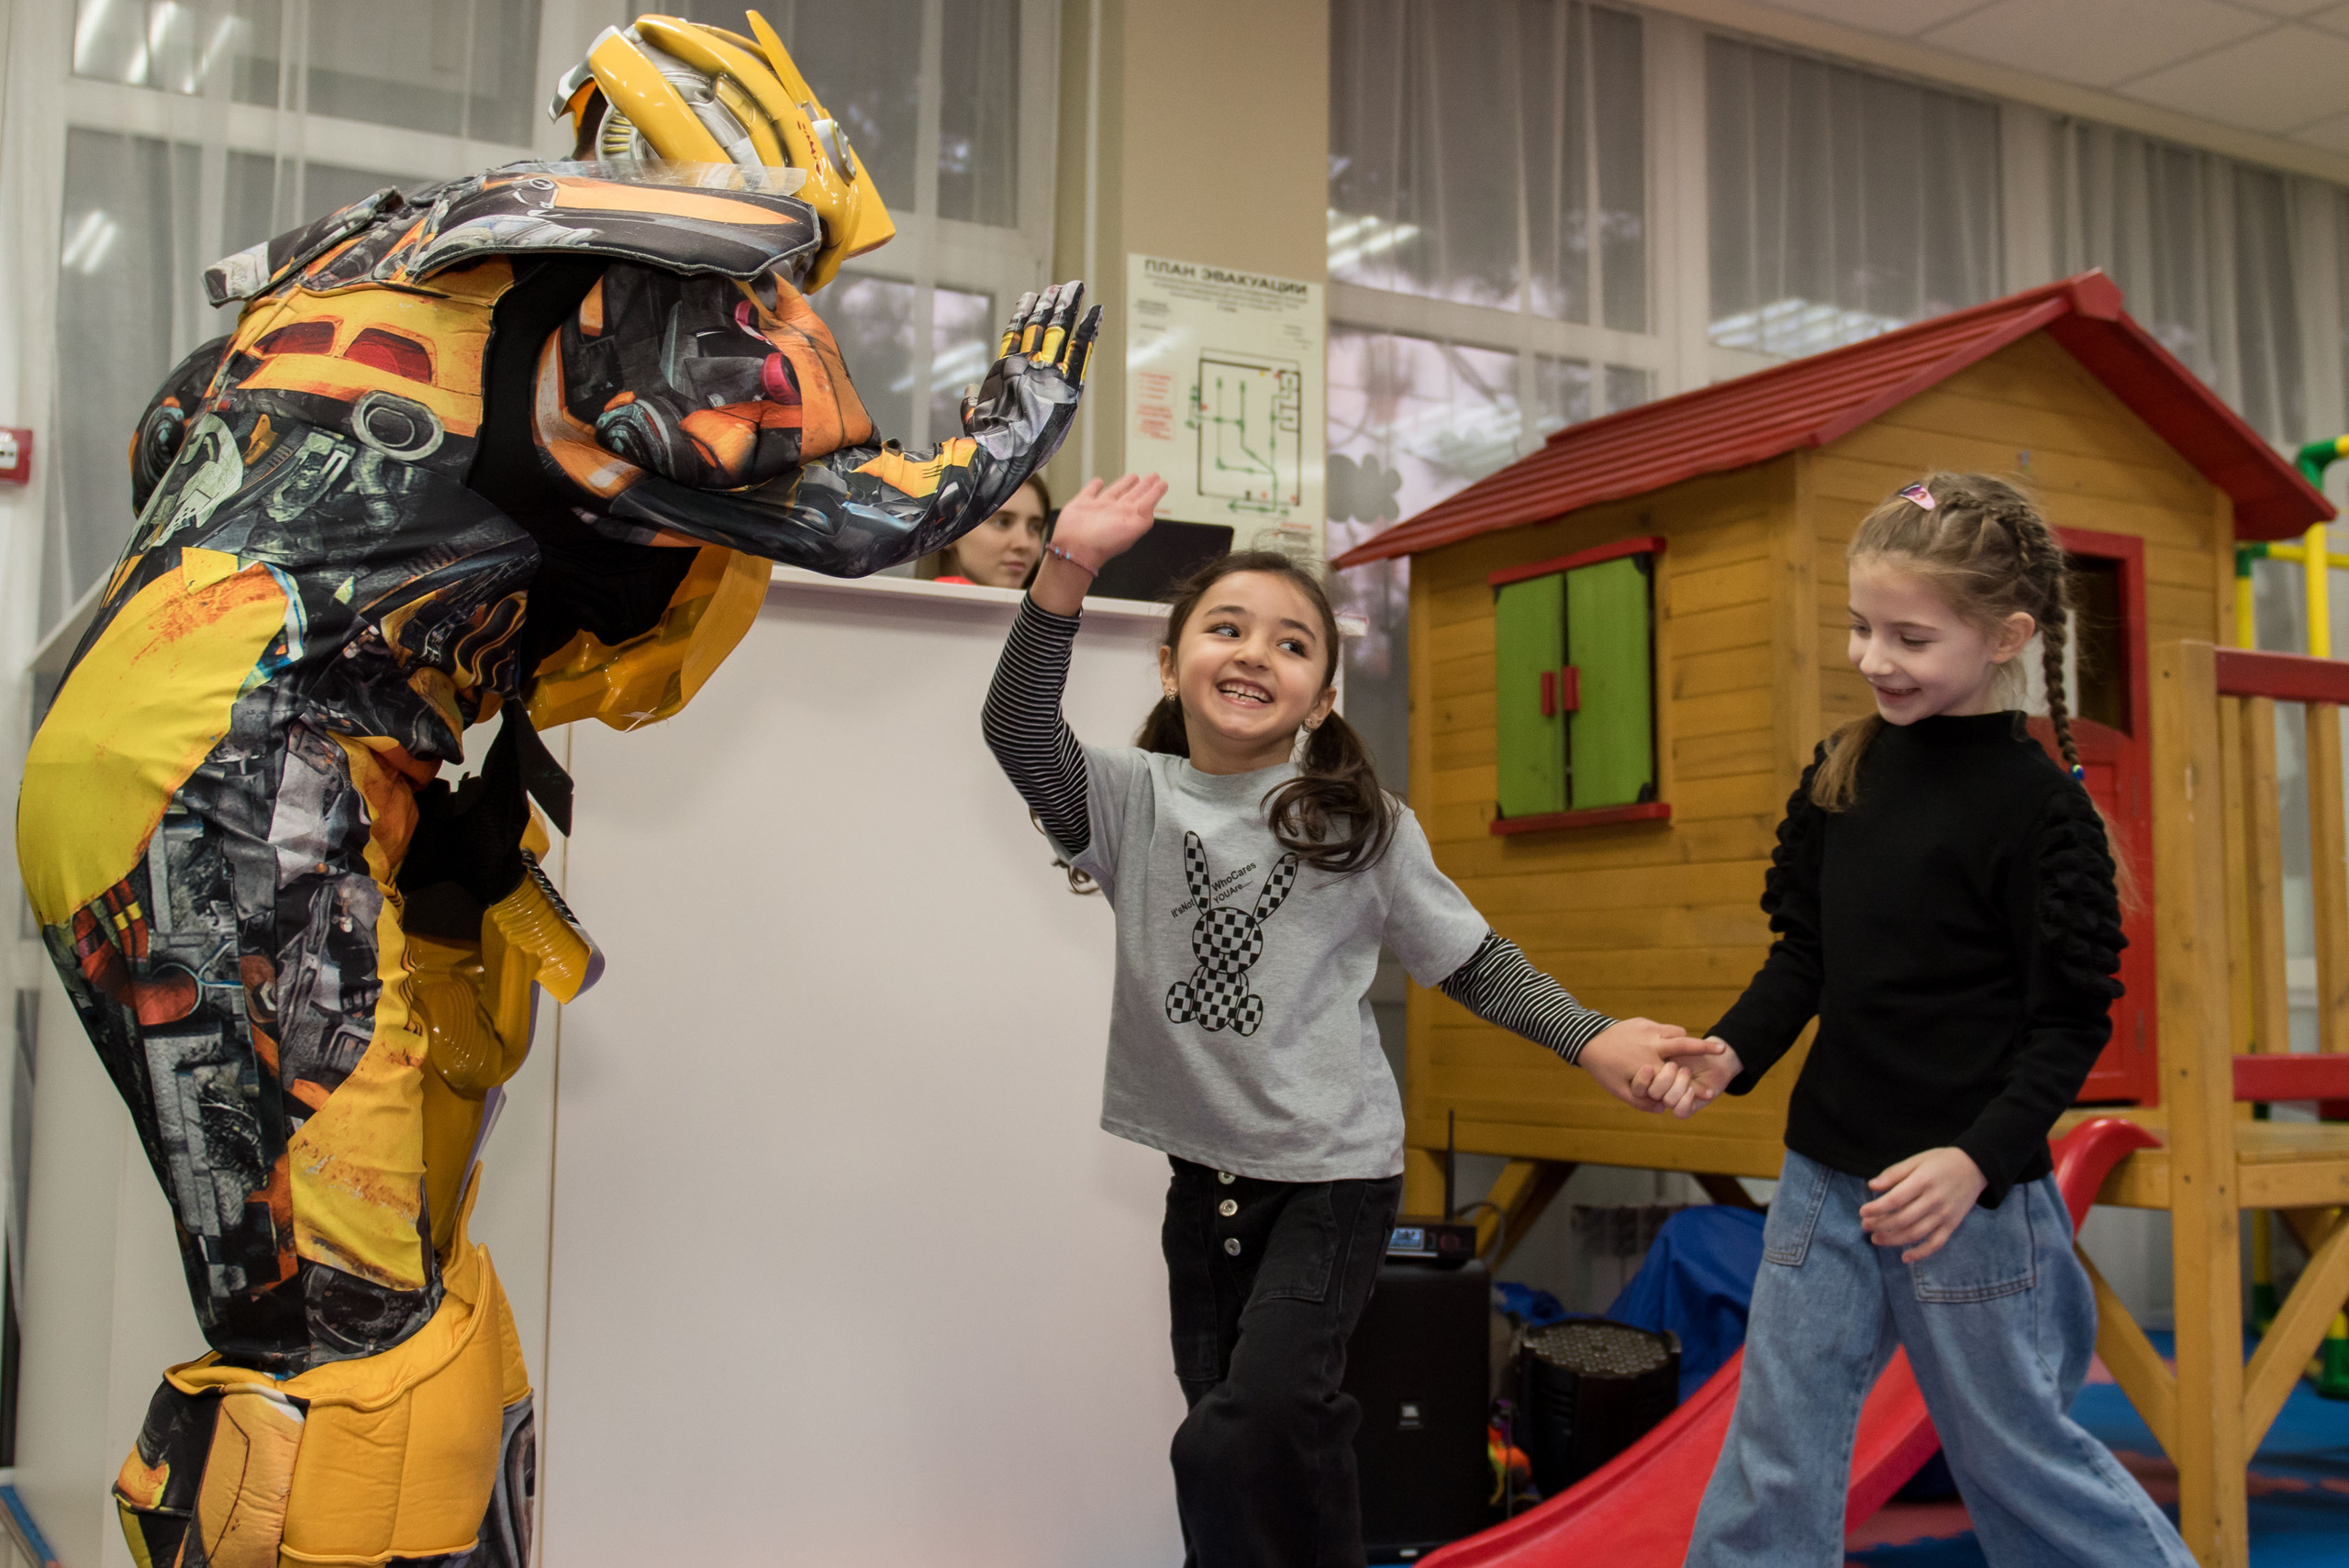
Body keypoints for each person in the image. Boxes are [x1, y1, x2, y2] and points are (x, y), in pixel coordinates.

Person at [17, 13, 1097, 1567]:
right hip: (241, 785)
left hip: (184, 761)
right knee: (351, 1357)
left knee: (400, 1278)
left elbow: (183, 470)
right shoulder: (638, 306)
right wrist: (1013, 426)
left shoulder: (357, 287)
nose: (777, 316)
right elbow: (855, 521)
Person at [981, 473, 1707, 1568]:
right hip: (1206, 1175)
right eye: (1225, 629)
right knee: (1269, 1433)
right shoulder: (1133, 798)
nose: (1252, 653)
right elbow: (1018, 726)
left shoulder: (1358, 822)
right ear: (1173, 665)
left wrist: (1591, 1034)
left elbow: (1471, 961)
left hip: (1332, 1176)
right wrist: (1068, 563)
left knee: (1247, 1426)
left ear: (1321, 695)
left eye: (1290, 643)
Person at [1658, 473, 2193, 1567]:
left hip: (1968, 1201)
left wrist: (1972, 1161)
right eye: (1861, 627)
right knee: (1776, 1447)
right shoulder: (1843, 773)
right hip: (1822, 1184)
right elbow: (1804, 955)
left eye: (1909, 635)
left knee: (2013, 1455)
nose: (1873, 657)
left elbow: (2066, 1027)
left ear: (2006, 636)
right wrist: (1730, 1048)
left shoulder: (2041, 811)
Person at [926, 473, 1051, 584]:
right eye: (1002, 522)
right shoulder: (917, 609)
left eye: (1035, 527)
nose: (1024, 544)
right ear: (947, 530)